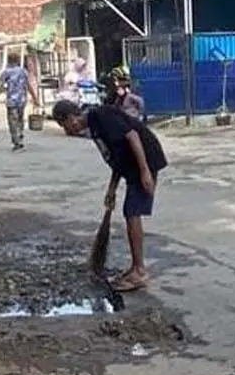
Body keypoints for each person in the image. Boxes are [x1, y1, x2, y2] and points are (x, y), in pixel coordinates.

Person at [52, 99, 167, 292]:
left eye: (64, 126)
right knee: (130, 211)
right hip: (131, 166)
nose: (67, 131)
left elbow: (132, 136)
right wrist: (112, 189)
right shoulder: (95, 128)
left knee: (132, 212)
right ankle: (135, 268)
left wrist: (145, 171)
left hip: (145, 159)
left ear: (71, 118)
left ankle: (139, 271)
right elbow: (118, 156)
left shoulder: (101, 115)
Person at [0, 53, 39, 151]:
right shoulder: (23, 71)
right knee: (20, 119)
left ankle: (16, 141)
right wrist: (35, 98)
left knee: (12, 121)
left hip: (11, 100)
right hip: (21, 100)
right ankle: (20, 135)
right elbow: (28, 85)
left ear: (8, 60)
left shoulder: (6, 72)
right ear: (17, 61)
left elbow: (1, 86)